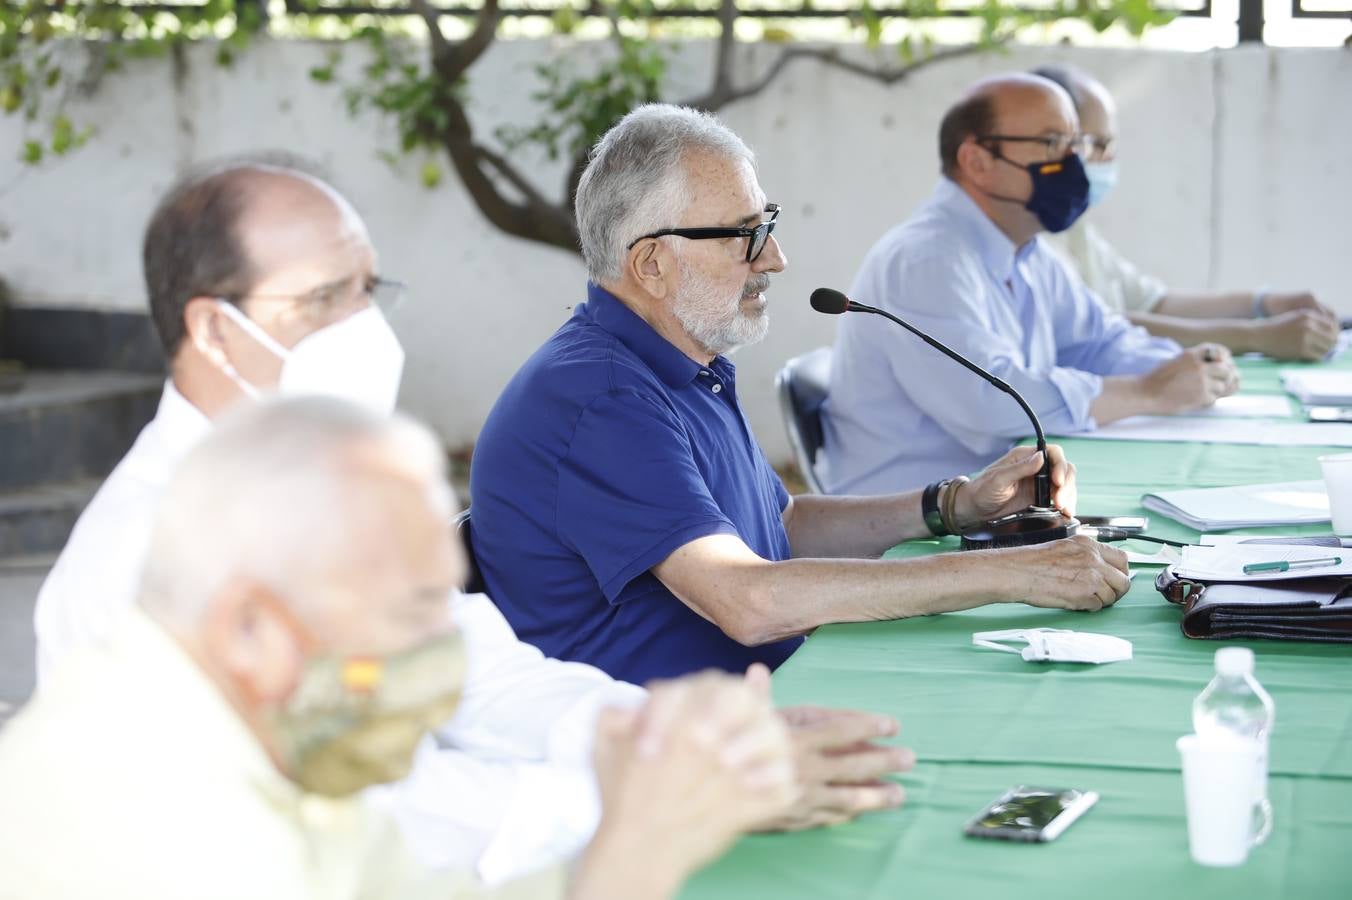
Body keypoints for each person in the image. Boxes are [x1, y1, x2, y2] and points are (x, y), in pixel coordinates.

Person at [30, 160, 918, 877]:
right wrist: (655, 791)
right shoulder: (143, 560)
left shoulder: (323, 486)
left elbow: (486, 678)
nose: (363, 326)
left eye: (368, 290)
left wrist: (672, 735)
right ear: (216, 332)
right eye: (323, 299)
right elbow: (364, 827)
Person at [0, 397, 799, 899]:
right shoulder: (153, 814)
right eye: (414, 613)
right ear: (253, 627)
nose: (444, 657)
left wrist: (654, 791)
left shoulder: (285, 732)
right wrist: (638, 853)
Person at [470, 103, 1131, 689]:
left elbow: (779, 530)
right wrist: (1016, 574)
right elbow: (748, 599)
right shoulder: (603, 402)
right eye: (744, 234)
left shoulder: (678, 359)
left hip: (770, 699)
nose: (775, 258)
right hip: (674, 754)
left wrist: (953, 506)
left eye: (769, 223)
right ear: (651, 265)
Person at [819, 74, 1243, 495]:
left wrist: (1186, 367)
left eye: (1076, 143)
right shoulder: (926, 260)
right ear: (977, 161)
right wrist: (1147, 391)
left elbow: (1096, 341)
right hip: (913, 523)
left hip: (997, 501)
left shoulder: (1029, 250)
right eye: (1053, 142)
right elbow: (993, 401)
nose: (1074, 161)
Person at [1031, 63, 1338, 362]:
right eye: (1095, 143)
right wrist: (1256, 337)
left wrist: (1265, 303)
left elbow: (1155, 303)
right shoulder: (1026, 238)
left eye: (1110, 144)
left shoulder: (1075, 227)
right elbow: (1097, 327)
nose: (1107, 158)